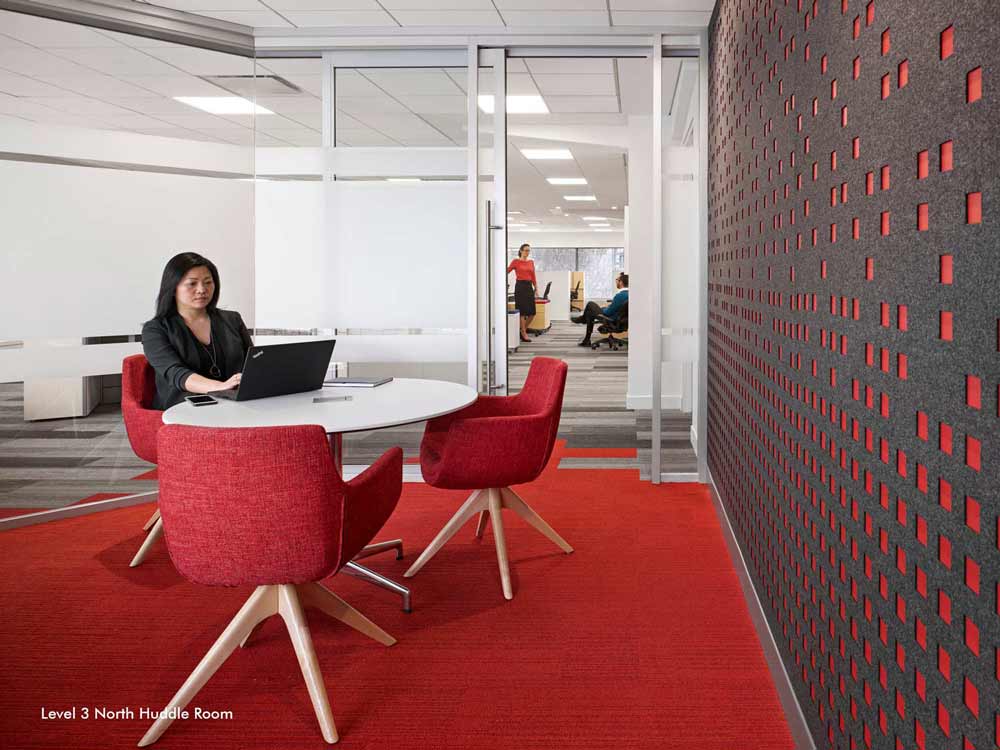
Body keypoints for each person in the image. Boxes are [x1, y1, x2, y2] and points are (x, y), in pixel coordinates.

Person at [142, 252, 253, 410]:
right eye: (192, 284)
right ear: (173, 288)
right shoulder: (155, 329)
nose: (202, 290)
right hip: (184, 407)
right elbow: (176, 374)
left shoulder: (232, 319)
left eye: (208, 282)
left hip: (235, 403)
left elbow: (252, 361)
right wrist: (222, 387)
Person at [571, 272, 628, 346]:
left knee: (590, 305)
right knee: (591, 312)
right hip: (620, 320)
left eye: (617, 279)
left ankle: (583, 321)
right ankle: (585, 335)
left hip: (612, 319)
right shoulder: (629, 294)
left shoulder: (620, 296)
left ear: (621, 282)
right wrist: (605, 308)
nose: (616, 281)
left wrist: (604, 309)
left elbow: (608, 312)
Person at [507, 243, 537, 342]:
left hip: (529, 287)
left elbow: (533, 276)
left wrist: (536, 288)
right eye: (525, 250)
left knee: (532, 312)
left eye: (528, 250)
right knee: (522, 313)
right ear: (520, 251)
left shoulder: (531, 262)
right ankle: (524, 332)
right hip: (520, 287)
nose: (527, 252)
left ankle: (522, 330)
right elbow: (506, 271)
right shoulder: (516, 261)